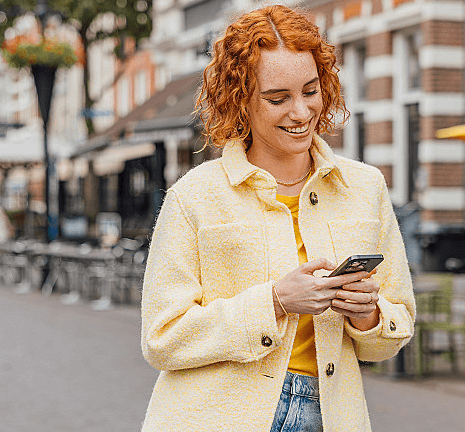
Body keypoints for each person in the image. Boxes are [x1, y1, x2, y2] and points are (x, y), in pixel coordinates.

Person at [140, 5, 415, 431]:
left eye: (310, 90)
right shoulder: (193, 198)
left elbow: (393, 332)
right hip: (216, 416)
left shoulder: (366, 188)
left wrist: (369, 316)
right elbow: (162, 337)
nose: (302, 112)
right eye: (277, 98)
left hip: (332, 413)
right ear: (240, 100)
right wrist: (274, 302)